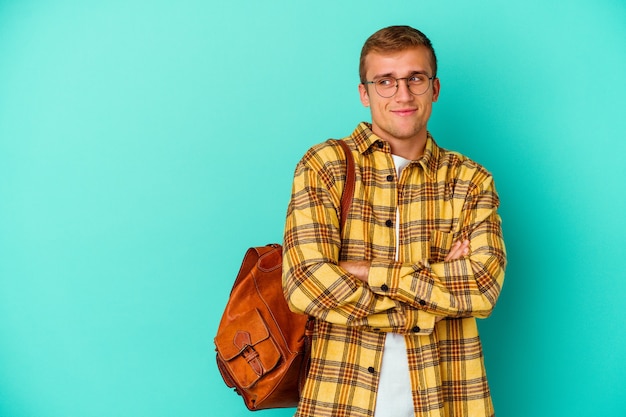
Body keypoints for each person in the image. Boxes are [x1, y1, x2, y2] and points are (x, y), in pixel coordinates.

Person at [282, 25, 506, 417]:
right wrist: (434, 291)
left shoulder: (470, 180)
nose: (402, 94)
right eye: (385, 81)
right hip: (339, 400)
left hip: (448, 398)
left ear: (433, 89)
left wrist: (365, 272)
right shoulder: (325, 166)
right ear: (364, 93)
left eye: (415, 79)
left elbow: (483, 286)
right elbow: (304, 283)